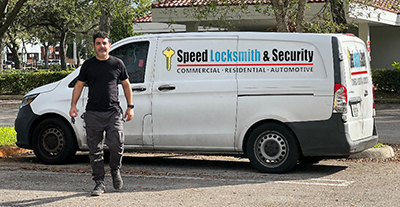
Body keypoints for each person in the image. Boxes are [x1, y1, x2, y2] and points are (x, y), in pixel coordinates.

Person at [69, 31, 134, 196]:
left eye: (104, 43)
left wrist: (130, 106)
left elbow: (126, 85)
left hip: (113, 112)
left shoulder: (117, 64)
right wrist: (73, 105)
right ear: (94, 46)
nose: (101, 46)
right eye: (98, 43)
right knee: (95, 150)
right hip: (93, 113)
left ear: (109, 45)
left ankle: (115, 170)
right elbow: (78, 85)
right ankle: (99, 183)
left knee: (117, 144)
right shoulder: (88, 65)